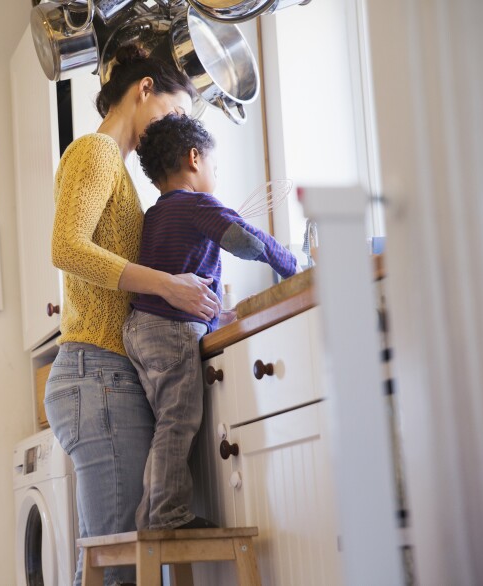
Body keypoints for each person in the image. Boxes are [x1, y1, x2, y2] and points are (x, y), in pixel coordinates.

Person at [43, 46, 221, 586]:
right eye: (171, 113)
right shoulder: (96, 153)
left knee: (112, 562)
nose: (173, 132)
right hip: (97, 375)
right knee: (118, 568)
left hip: (102, 376)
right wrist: (170, 284)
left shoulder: (116, 171)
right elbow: (67, 248)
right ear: (144, 89)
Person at [123, 112, 299, 531]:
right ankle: (167, 514)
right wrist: (297, 267)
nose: (215, 174)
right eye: (216, 166)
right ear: (194, 158)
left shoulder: (155, 215)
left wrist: (217, 311)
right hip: (169, 331)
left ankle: (152, 515)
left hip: (140, 329)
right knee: (178, 420)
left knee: (166, 423)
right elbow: (247, 242)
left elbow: (175, 269)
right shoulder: (198, 203)